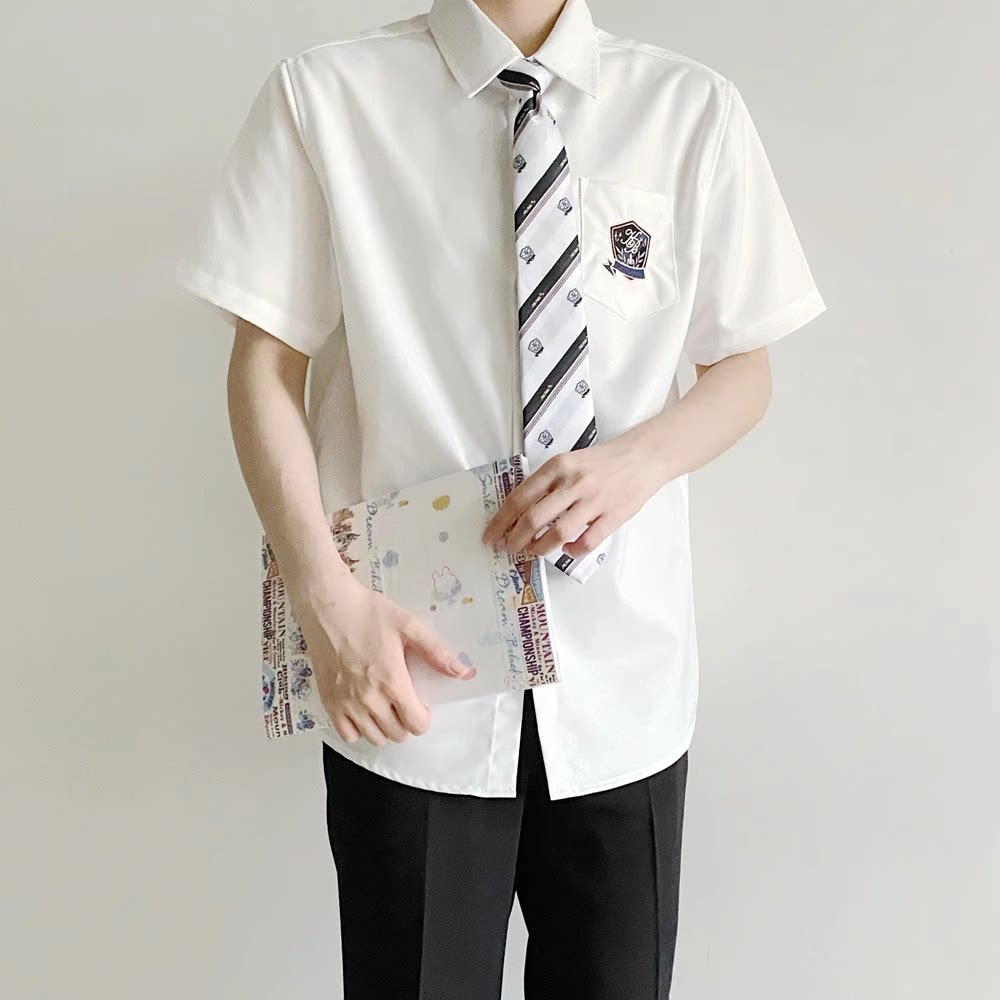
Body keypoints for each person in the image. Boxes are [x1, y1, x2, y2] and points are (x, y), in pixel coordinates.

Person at [175, 0, 826, 996]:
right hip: (409, 683)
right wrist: (323, 602)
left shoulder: (690, 108)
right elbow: (265, 365)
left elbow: (744, 365)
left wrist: (637, 463)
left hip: (624, 685)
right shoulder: (326, 95)